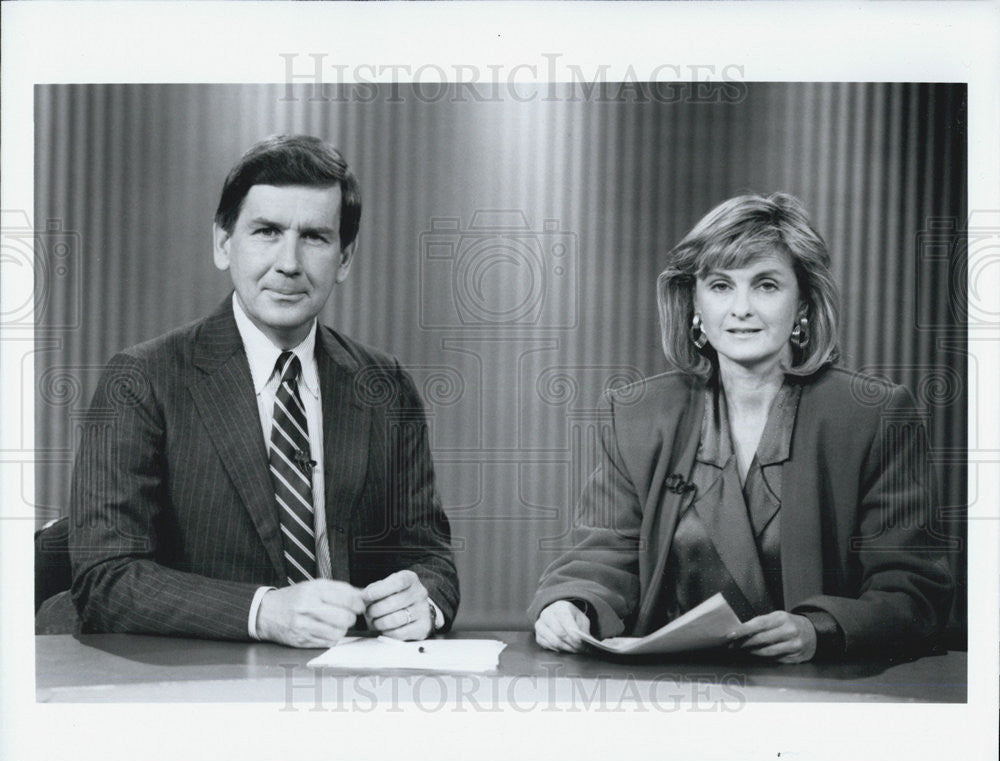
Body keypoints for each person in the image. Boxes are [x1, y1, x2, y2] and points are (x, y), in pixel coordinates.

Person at [56, 134, 458, 646]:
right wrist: (263, 611)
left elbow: (431, 557)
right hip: (204, 689)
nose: (289, 262)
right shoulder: (140, 381)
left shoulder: (386, 386)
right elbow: (103, 578)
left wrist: (422, 601)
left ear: (345, 258)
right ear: (224, 244)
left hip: (355, 685)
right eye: (267, 232)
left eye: (314, 236)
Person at [529, 192, 953, 662]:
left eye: (766, 285)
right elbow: (605, 555)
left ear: (804, 304)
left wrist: (821, 630)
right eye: (721, 286)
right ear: (695, 303)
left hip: (820, 690)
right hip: (669, 689)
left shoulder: (872, 415)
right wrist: (571, 605)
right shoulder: (638, 413)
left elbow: (913, 592)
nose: (741, 308)